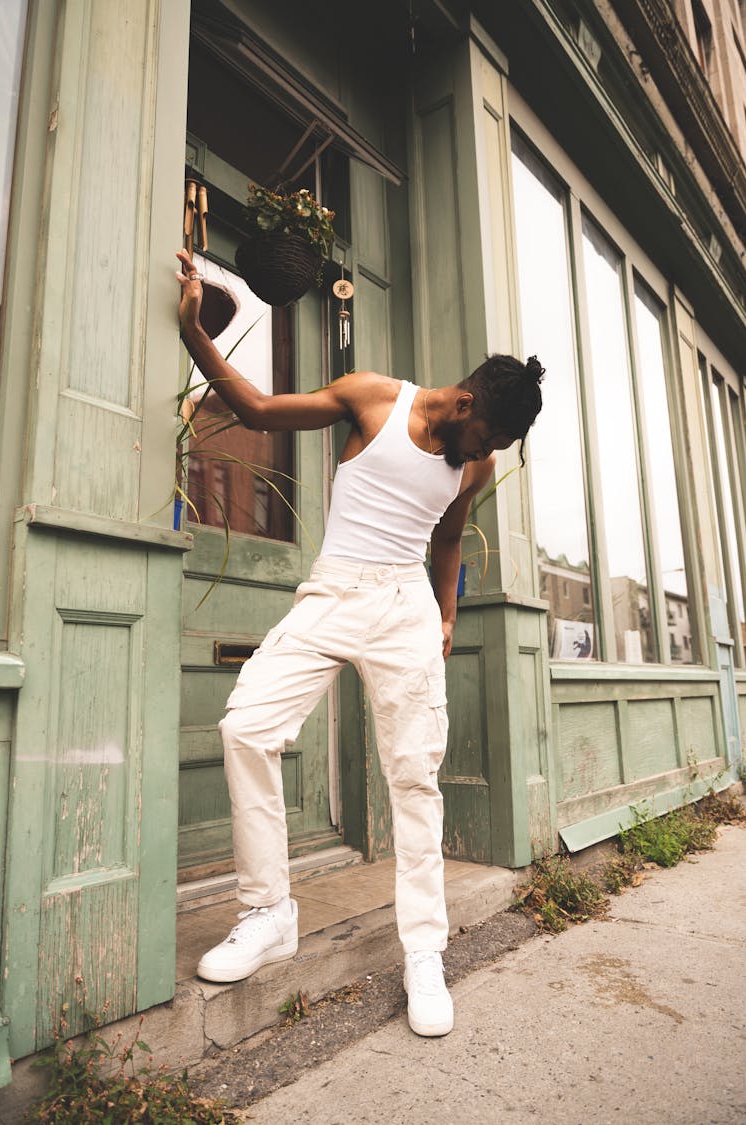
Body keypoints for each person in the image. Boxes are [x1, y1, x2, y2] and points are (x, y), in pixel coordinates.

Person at [175, 249, 544, 1037]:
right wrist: (195, 334)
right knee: (246, 726)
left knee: (414, 779)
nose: (483, 454)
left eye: (494, 449)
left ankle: (424, 955)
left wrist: (445, 614)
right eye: (486, 436)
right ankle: (270, 911)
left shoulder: (470, 467)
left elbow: (449, 539)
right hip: (334, 590)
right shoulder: (372, 399)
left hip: (405, 604)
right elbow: (257, 411)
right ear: (467, 399)